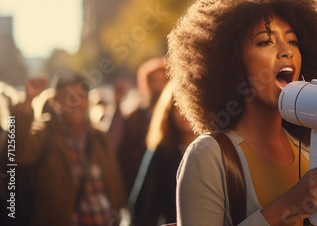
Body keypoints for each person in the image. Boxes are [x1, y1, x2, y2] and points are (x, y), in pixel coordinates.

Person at [168, 0, 317, 225]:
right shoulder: (208, 156)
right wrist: (288, 205)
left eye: (293, 41)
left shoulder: (311, 154)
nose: (286, 51)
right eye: (265, 42)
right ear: (235, 66)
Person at [12, 70, 126, 225]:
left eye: (81, 95)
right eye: (68, 96)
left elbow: (114, 184)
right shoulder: (43, 133)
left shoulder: (99, 136)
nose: (76, 101)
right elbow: (17, 153)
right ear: (54, 101)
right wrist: (28, 102)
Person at [128, 80, 197, 225]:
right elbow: (140, 206)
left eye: (190, 104)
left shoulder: (216, 147)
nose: (184, 113)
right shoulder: (162, 152)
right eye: (177, 107)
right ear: (168, 112)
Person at [118, 58, 168, 196]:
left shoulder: (175, 115)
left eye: (162, 80)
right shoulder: (136, 116)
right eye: (154, 80)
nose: (158, 86)